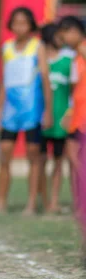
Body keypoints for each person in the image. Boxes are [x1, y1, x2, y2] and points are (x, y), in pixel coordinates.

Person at [0, 7, 52, 216]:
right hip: (10, 112)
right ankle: (0, 202)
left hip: (32, 110)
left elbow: (45, 79)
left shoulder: (38, 46)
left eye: (24, 23)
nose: (20, 27)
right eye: (16, 23)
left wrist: (48, 111)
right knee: (4, 156)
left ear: (31, 25)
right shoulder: (6, 48)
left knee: (33, 157)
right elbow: (4, 84)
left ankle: (32, 204)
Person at [38, 23, 73, 213]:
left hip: (61, 120)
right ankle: (42, 200)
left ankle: (54, 201)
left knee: (58, 161)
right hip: (41, 118)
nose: (63, 40)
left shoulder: (69, 58)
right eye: (59, 36)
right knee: (41, 160)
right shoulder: (39, 59)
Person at [56, 15, 86, 212]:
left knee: (77, 160)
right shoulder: (76, 55)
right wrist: (70, 111)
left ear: (74, 31)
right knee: (73, 158)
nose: (63, 39)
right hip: (77, 114)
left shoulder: (83, 50)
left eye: (64, 34)